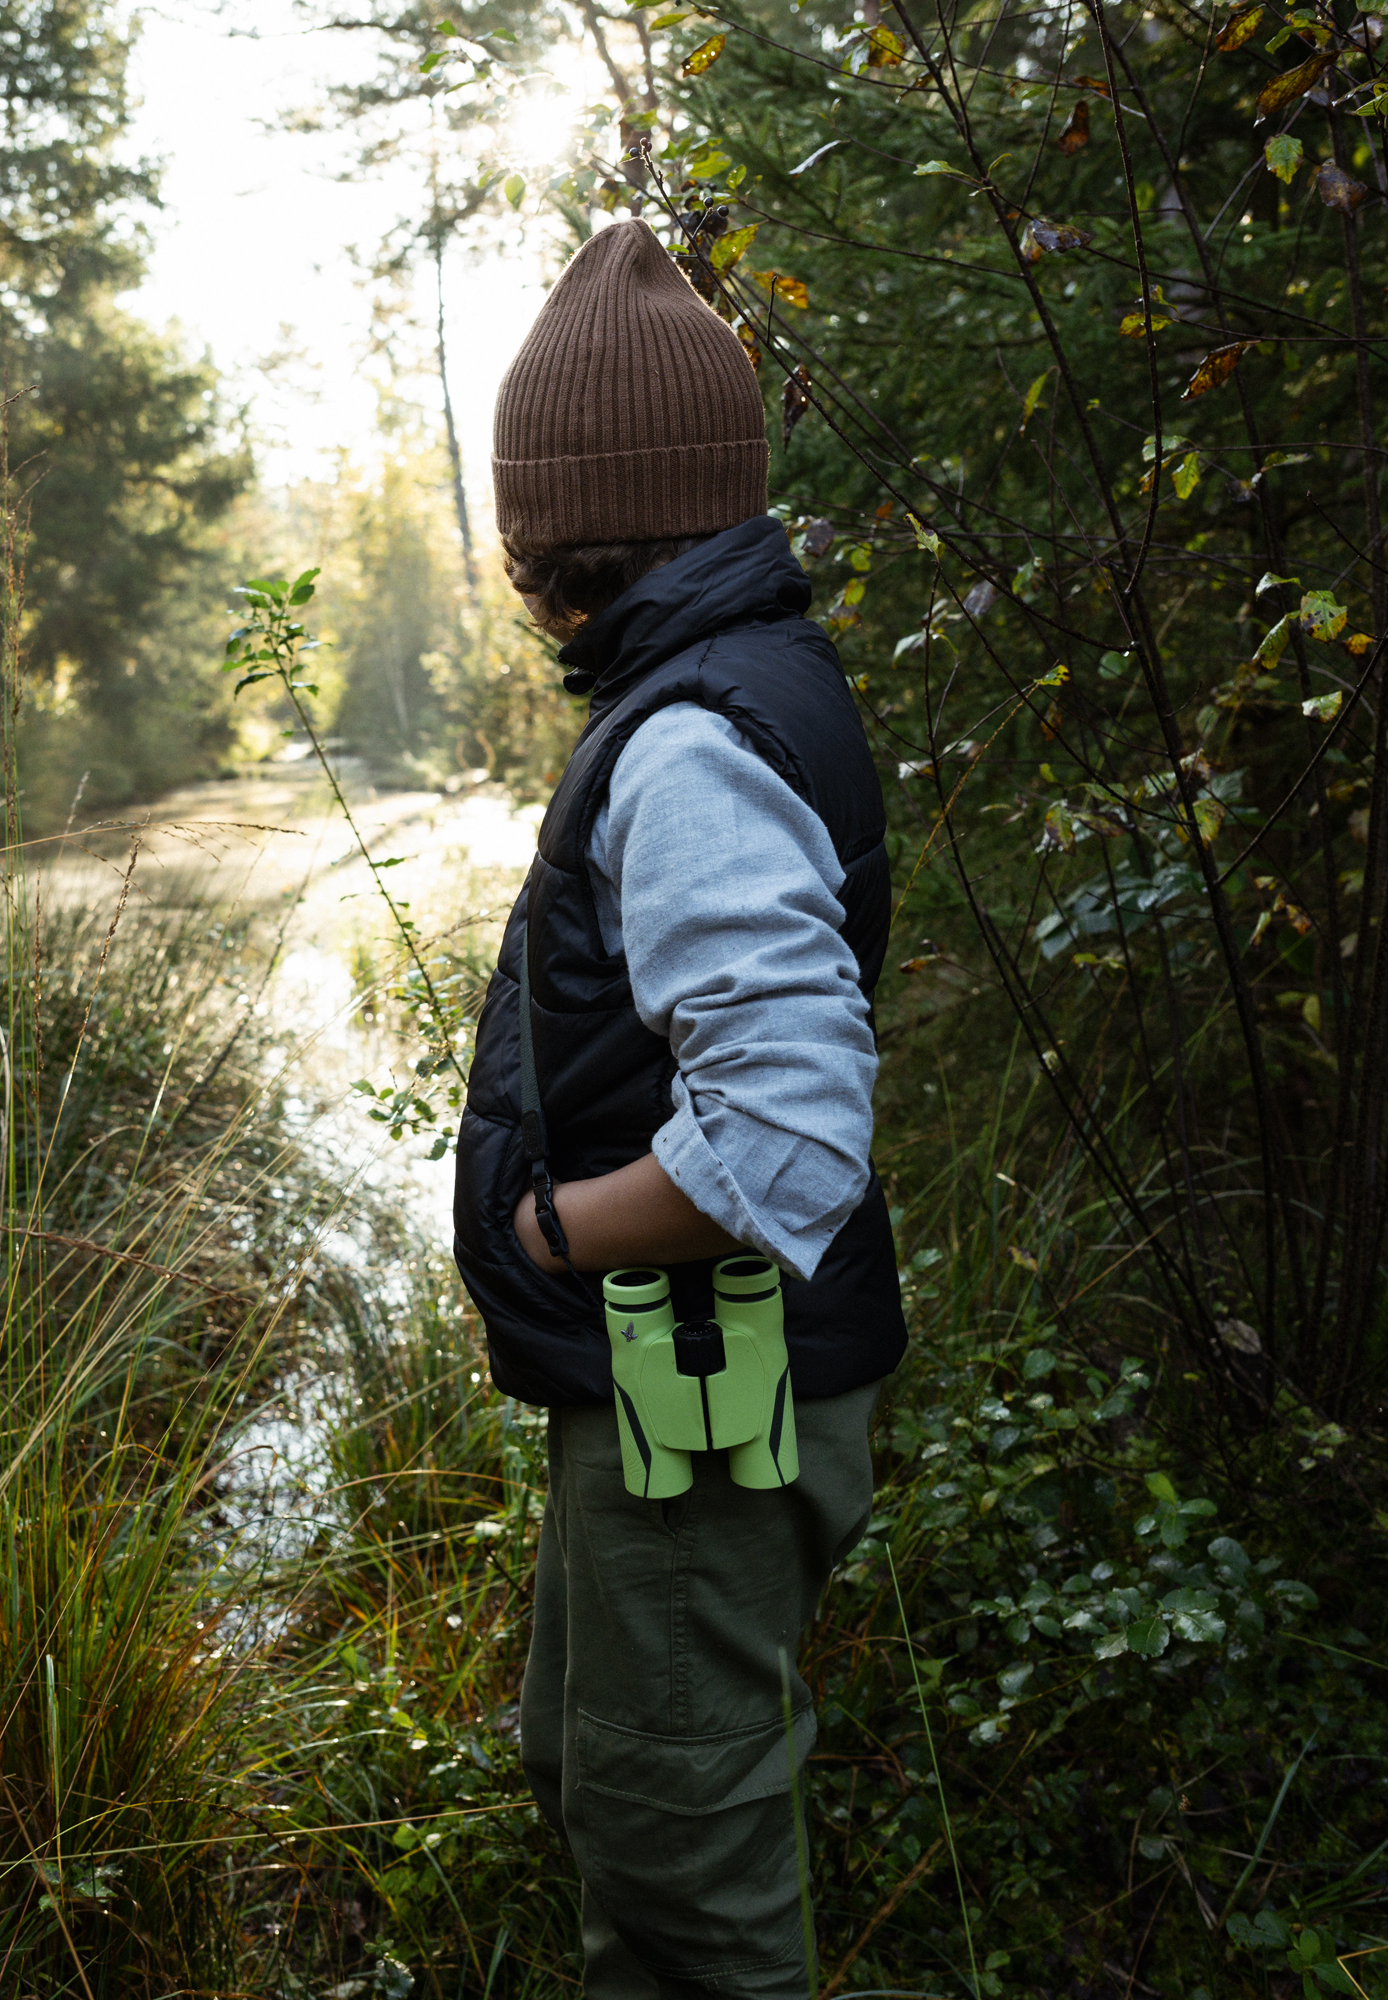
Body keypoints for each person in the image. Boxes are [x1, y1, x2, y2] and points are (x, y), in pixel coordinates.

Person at [450, 219, 907, 2000]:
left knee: (683, 1846)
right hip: (690, 1378)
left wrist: (548, 1231)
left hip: (712, 1368)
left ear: (565, 525)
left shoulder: (690, 740)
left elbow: (786, 1137)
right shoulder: (734, 680)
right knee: (602, 1767)